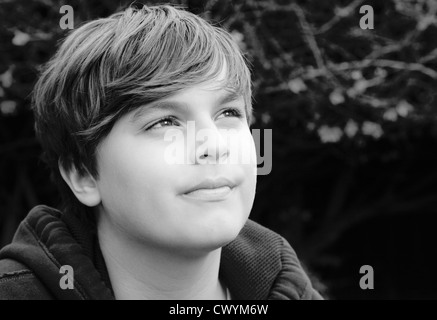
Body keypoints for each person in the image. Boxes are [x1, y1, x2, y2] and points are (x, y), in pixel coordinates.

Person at [0, 4, 323, 300]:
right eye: (165, 122)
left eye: (228, 114)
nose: (214, 145)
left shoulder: (288, 289)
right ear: (83, 174)